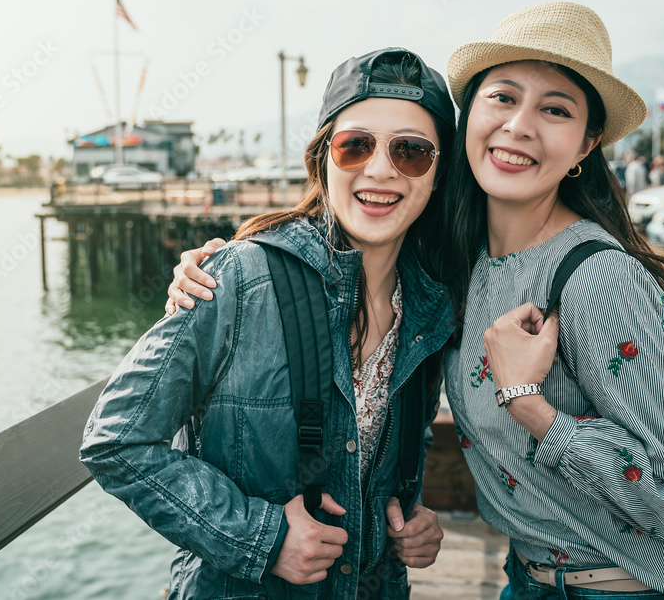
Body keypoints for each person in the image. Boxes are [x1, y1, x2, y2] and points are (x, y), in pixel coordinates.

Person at [165, 2, 664, 599]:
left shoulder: (600, 279)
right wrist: (228, 269)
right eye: (502, 97)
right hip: (529, 579)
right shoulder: (455, 268)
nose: (520, 126)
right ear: (468, 114)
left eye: (555, 110)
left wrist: (533, 409)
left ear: (586, 144)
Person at [80, 48, 458, 599]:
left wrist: (408, 518)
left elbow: (396, 447)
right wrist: (262, 538)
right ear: (324, 160)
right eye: (356, 146)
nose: (380, 169)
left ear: (438, 172)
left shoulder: (430, 311)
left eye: (411, 151)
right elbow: (115, 439)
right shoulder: (238, 277)